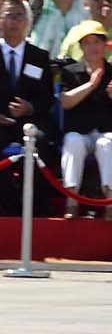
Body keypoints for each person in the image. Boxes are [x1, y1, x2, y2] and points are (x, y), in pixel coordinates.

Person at [0, 0, 56, 215]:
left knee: (44, 143)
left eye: (19, 16)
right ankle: (7, 204)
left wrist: (31, 107)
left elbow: (48, 97)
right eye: (9, 15)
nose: (14, 21)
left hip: (31, 120)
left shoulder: (40, 56)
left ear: (27, 21)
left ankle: (36, 205)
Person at [57, 20, 112, 216]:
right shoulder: (70, 72)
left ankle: (109, 203)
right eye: (87, 42)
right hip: (79, 131)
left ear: (105, 44)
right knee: (72, 142)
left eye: (97, 41)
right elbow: (65, 101)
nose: (93, 47)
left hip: (105, 131)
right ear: (81, 46)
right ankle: (72, 201)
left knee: (108, 143)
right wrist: (90, 85)